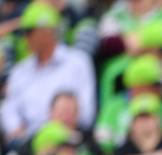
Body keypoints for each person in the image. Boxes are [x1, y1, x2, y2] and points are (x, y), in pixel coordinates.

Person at [1, 2, 95, 145]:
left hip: (69, 138)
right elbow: (8, 110)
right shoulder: (19, 71)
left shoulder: (78, 62)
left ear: (48, 32)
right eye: (25, 32)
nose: (25, 38)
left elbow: (86, 113)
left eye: (30, 32)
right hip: (28, 142)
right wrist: (17, 130)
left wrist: (55, 131)